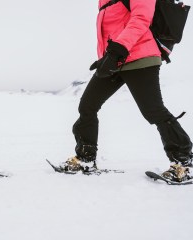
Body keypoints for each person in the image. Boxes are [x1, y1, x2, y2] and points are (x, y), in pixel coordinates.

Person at [60, 0, 192, 182]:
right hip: (115, 59)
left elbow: (141, 19)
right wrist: (105, 57)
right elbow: (113, 27)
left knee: (153, 111)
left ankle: (184, 163)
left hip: (140, 56)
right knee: (87, 106)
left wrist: (116, 51)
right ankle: (85, 159)